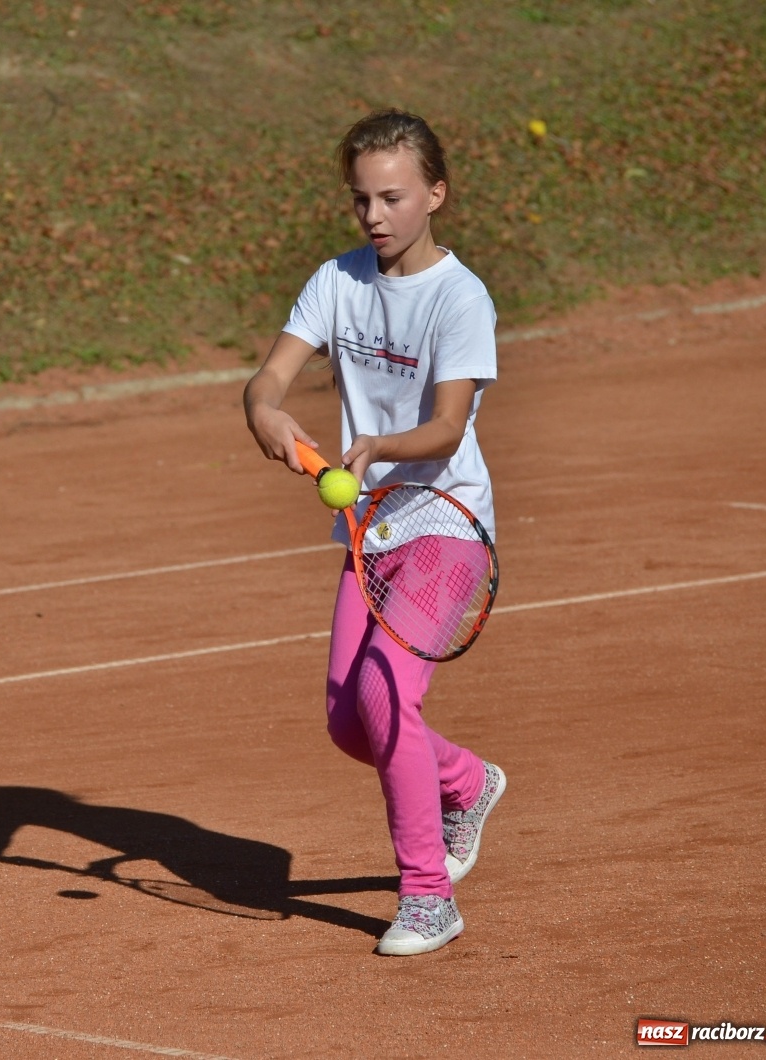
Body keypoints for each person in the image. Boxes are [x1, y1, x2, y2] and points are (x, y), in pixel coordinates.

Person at [242, 109, 507, 956]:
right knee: (347, 722)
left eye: (392, 197)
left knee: (387, 700)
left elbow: (446, 427)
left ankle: (428, 896)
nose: (375, 217)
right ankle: (466, 782)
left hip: (445, 522)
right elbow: (268, 377)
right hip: (370, 530)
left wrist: (377, 446)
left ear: (436, 194)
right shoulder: (338, 281)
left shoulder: (460, 298)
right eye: (361, 200)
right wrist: (268, 415)